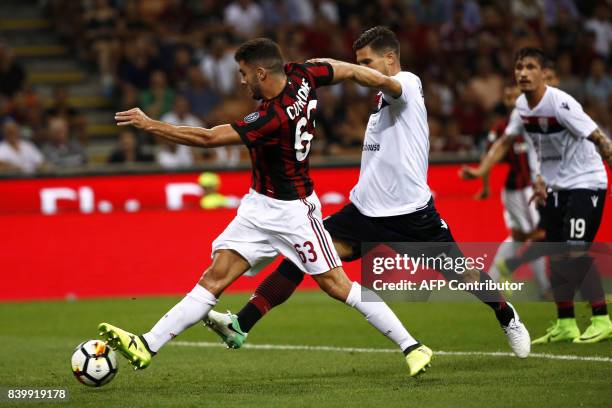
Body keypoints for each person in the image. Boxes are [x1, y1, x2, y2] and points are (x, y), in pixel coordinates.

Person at [99, 38, 433, 377]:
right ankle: (147, 344)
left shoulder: (271, 119)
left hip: (294, 212)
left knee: (337, 285)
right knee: (214, 277)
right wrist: (384, 82)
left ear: (261, 73)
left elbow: (208, 138)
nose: (242, 81)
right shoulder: (302, 75)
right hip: (258, 207)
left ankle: (412, 345)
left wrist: (149, 124)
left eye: (244, 74)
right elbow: (343, 69)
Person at [204, 27, 530, 358]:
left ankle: (507, 316)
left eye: (367, 61)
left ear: (390, 59)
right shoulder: (378, 98)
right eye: (358, 62)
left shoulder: (407, 84)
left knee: (463, 274)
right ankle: (241, 323)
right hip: (362, 212)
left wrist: (340, 69)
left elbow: (385, 83)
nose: (362, 68)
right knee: (299, 257)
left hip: (411, 215)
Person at [462, 47, 612, 344]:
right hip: (555, 186)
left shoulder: (559, 102)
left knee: (575, 250)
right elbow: (508, 141)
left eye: (530, 67)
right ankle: (566, 323)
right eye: (519, 67)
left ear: (544, 73)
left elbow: (595, 134)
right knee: (555, 252)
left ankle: (601, 318)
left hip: (586, 182)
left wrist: (606, 147)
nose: (522, 73)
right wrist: (483, 171)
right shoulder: (522, 106)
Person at [461, 84, 550, 299]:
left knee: (519, 237)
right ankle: (544, 288)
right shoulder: (502, 128)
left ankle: (490, 279)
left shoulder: (529, 122)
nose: (511, 100)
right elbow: (489, 155)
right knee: (536, 237)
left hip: (525, 188)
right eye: (508, 97)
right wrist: (484, 185)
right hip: (519, 189)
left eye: (514, 96)